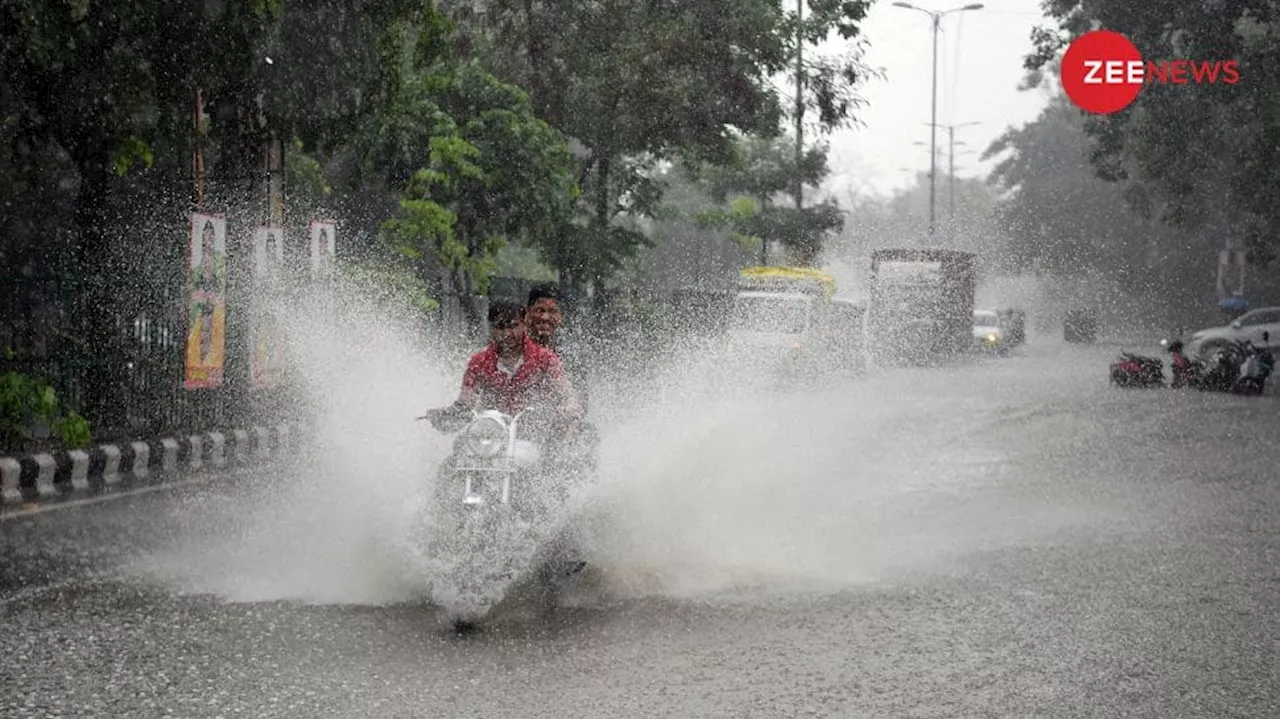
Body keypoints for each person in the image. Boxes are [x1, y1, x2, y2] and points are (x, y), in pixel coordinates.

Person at [426, 300, 583, 436]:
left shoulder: (545, 359)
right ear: (491, 328)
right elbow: (465, 404)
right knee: (458, 453)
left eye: (513, 326)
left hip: (538, 434)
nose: (507, 333)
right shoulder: (478, 362)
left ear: (525, 324)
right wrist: (445, 416)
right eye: (500, 327)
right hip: (491, 434)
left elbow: (567, 395)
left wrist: (567, 410)